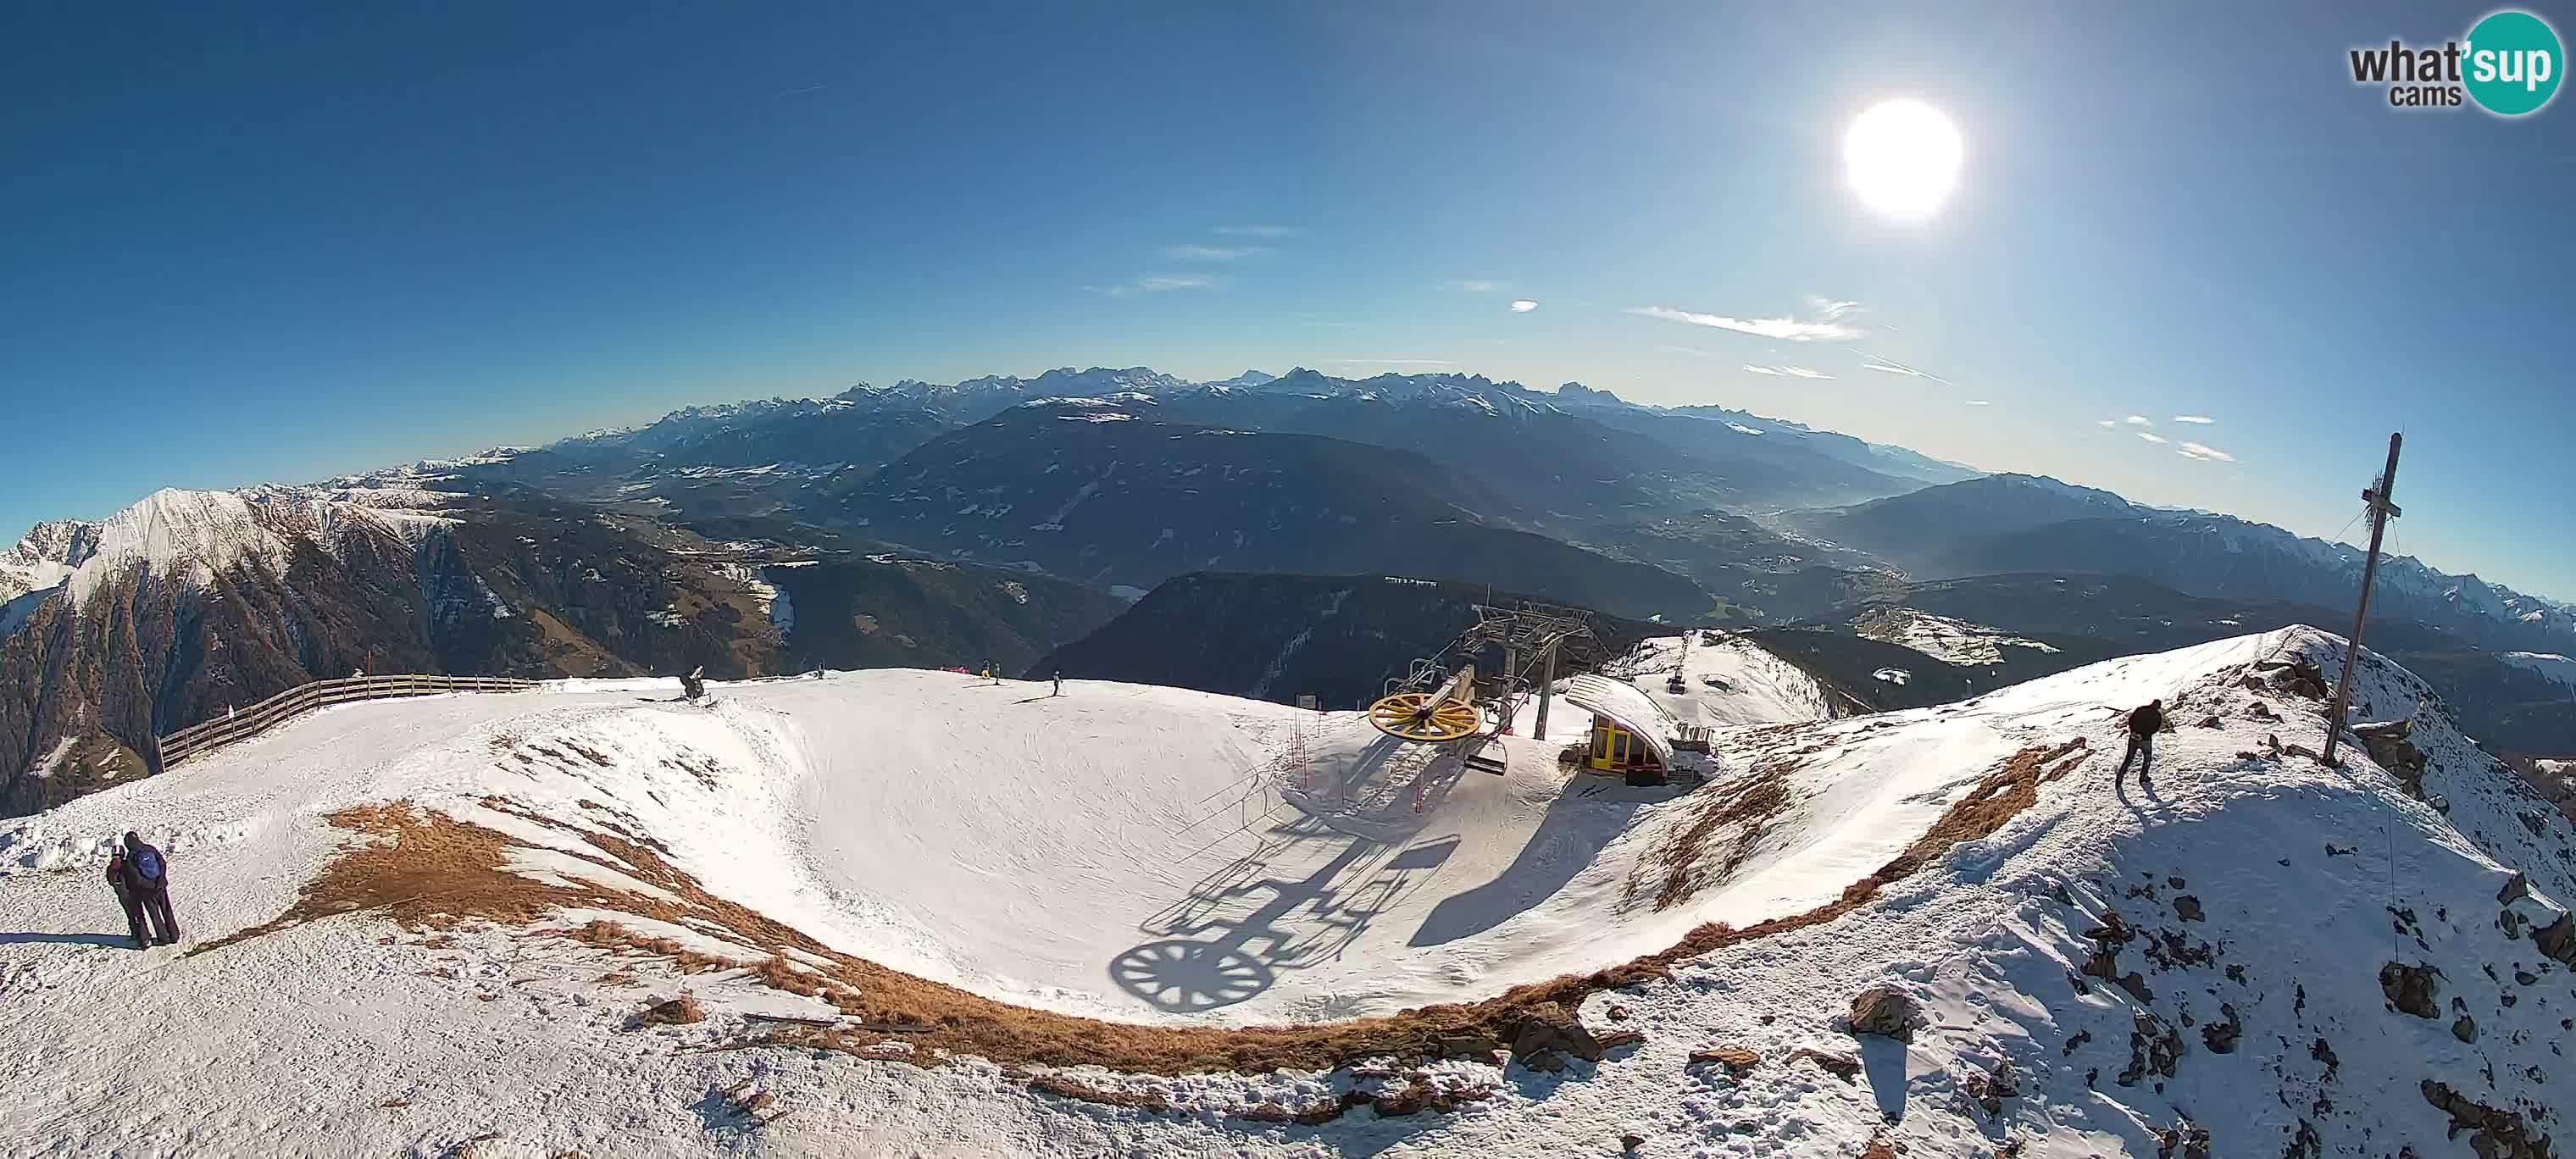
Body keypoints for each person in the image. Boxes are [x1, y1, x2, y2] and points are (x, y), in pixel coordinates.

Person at [121, 831, 178, 946]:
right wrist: (160, 879)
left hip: (147, 891)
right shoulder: (150, 848)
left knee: (155, 914)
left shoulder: (131, 856)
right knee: (167, 910)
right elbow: (162, 863)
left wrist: (148, 886)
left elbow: (135, 877)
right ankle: (174, 935)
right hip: (161, 886)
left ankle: (163, 938)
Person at [2116, 698, 2166, 787]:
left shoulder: (2141, 709)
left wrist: (2133, 731)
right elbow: (2155, 729)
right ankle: (2143, 778)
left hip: (2133, 737)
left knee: (2128, 759)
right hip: (2145, 740)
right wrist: (2144, 735)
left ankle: (2119, 779)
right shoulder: (2157, 715)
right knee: (2147, 758)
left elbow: (2131, 720)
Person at [105, 848, 148, 948]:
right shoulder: (126, 865)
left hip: (122, 896)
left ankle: (135, 934)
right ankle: (144, 938)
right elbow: (135, 878)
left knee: (130, 916)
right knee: (140, 916)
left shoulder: (110, 868)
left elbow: (111, 882)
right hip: (133, 895)